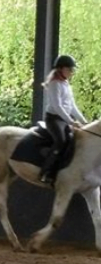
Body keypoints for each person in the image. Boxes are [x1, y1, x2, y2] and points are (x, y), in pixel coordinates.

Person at [39, 54, 86, 185]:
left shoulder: (66, 84)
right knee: (61, 141)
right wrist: (71, 121)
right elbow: (57, 106)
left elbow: (72, 107)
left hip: (64, 119)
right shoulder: (54, 84)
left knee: (74, 141)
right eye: (69, 69)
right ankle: (46, 172)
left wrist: (84, 122)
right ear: (61, 69)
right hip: (54, 119)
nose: (71, 72)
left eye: (72, 70)